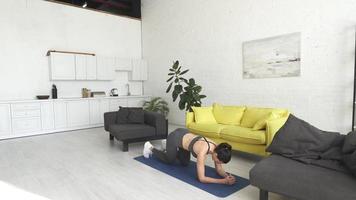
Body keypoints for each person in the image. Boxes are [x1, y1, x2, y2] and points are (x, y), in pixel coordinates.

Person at [143, 128, 236, 185]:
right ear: (215, 154)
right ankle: (150, 148)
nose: (218, 163)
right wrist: (223, 181)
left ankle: (168, 147)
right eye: (219, 161)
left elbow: (219, 169)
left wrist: (227, 176)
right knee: (169, 160)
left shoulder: (219, 149)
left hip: (185, 138)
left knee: (185, 163)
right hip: (175, 137)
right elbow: (202, 178)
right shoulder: (202, 151)